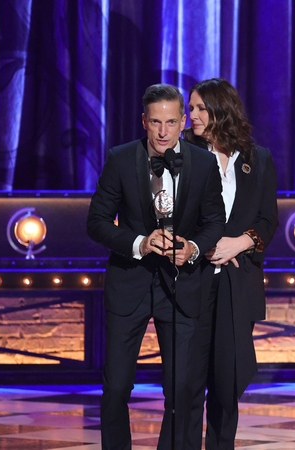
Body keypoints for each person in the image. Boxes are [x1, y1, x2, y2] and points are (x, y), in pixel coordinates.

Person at [87, 84, 226, 449]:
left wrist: (193, 247)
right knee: (116, 386)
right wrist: (139, 243)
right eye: (155, 122)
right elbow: (97, 221)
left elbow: (215, 221)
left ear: (183, 121)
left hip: (182, 288)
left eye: (170, 122)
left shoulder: (204, 163)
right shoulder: (120, 158)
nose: (163, 132)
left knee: (181, 388)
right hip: (129, 284)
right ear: (144, 122)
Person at [182, 78, 279, 450]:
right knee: (188, 383)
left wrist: (241, 243)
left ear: (221, 110)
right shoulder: (184, 154)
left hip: (238, 285)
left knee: (228, 383)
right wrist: (204, 245)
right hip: (194, 279)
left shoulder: (258, 159)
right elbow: (173, 212)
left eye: (199, 108)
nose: (192, 115)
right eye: (191, 108)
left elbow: (267, 219)